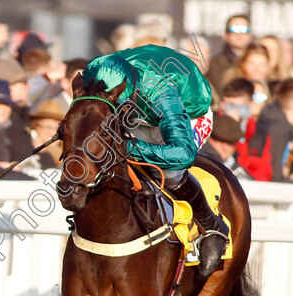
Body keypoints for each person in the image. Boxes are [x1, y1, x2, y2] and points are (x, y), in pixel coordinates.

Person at [79, 45, 229, 278]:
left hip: (187, 113)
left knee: (169, 173)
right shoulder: (93, 74)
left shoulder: (161, 95)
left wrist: (126, 148)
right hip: (136, 108)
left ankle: (211, 226)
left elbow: (183, 153)